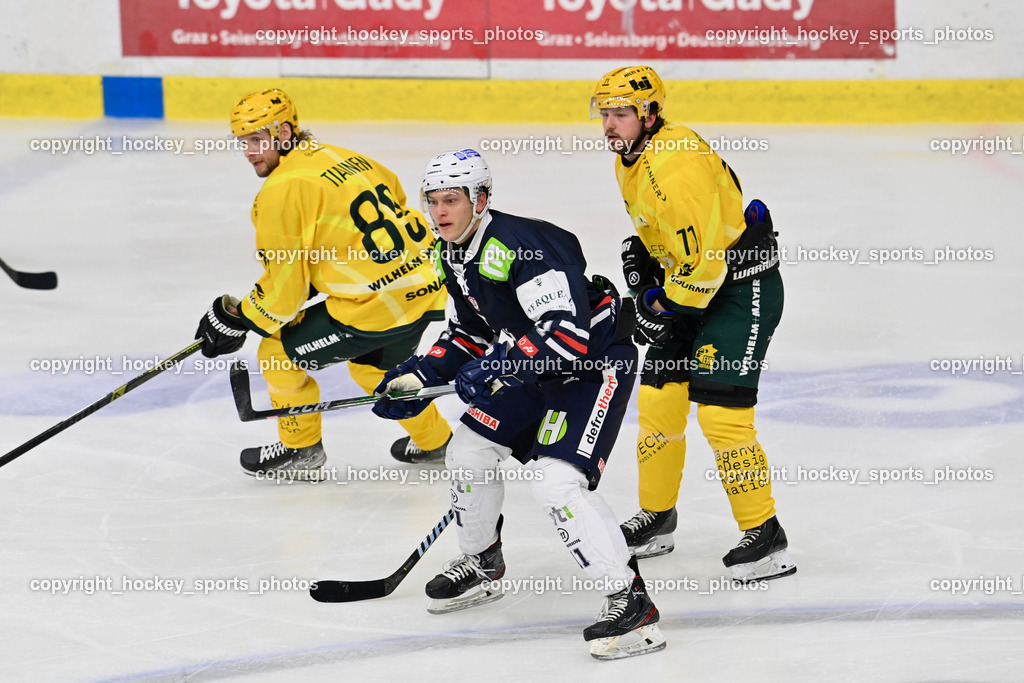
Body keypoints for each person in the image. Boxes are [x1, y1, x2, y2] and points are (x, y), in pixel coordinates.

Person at [371, 149, 665, 660]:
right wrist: (421, 373)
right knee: (468, 452)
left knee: (556, 481)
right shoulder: (453, 252)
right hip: (531, 367)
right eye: (433, 201)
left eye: (452, 200)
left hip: (589, 369)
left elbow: (566, 335)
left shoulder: (521, 246)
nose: (440, 212)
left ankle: (631, 601)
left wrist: (498, 366)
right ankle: (483, 561)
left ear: (480, 199)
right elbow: (470, 333)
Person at [590, 66, 796, 582]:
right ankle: (658, 518)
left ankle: (766, 533)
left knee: (723, 417)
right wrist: (648, 265)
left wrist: (653, 308)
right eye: (606, 114)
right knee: (660, 401)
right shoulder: (633, 156)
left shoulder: (672, 164)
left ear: (649, 114)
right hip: (698, 285)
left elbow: (706, 264)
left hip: (738, 291)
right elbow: (680, 240)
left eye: (621, 114)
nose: (610, 125)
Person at [194, 88, 452, 476]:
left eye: (255, 139)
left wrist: (237, 317)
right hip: (425, 287)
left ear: (283, 131)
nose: (248, 151)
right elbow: (394, 208)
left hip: (375, 306)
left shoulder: (280, 191)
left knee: (277, 352)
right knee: (376, 370)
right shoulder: (344, 156)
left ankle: (300, 449)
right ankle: (436, 442)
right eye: (242, 142)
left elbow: (283, 295)